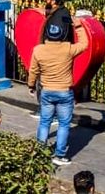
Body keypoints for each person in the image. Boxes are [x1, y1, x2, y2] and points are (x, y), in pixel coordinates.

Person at [27, 20, 89, 166]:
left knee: (44, 122)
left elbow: (33, 71)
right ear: (61, 35)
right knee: (63, 124)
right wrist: (79, 26)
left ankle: (40, 152)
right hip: (64, 92)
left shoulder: (38, 50)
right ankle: (59, 155)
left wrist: (31, 85)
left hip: (47, 91)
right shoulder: (67, 48)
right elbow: (85, 44)